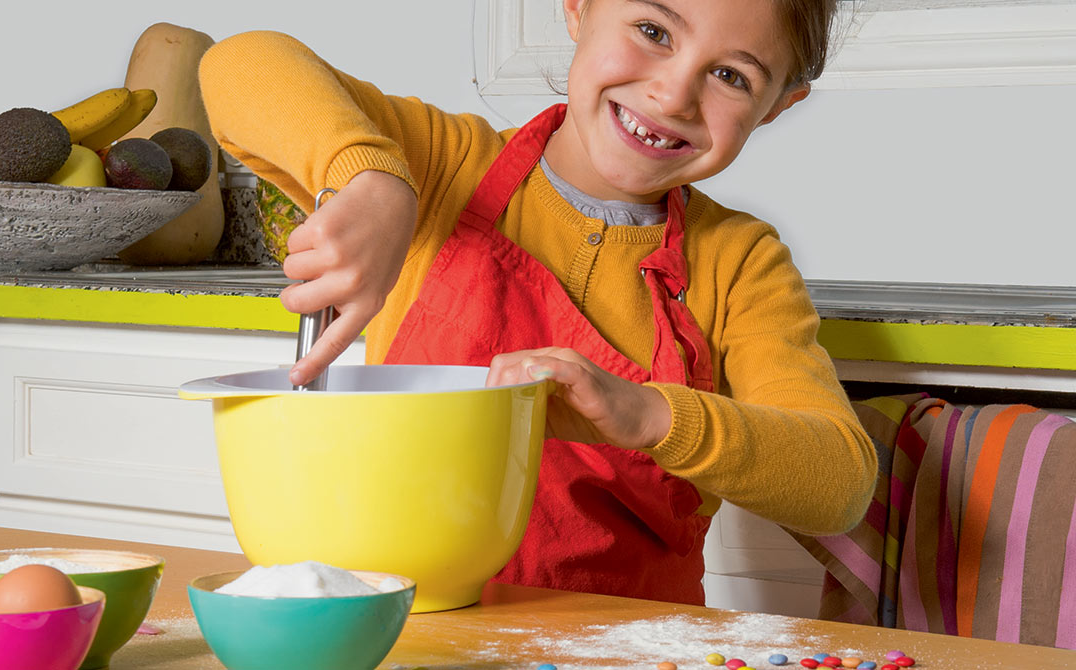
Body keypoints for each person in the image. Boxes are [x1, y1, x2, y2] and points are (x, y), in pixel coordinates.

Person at [199, 0, 878, 605]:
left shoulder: (739, 263)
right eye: (652, 30)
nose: (673, 95)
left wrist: (645, 415)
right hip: (408, 630)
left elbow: (838, 483)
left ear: (780, 105)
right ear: (577, 7)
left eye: (732, 76)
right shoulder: (443, 167)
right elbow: (238, 63)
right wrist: (373, 179)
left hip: (630, 647)